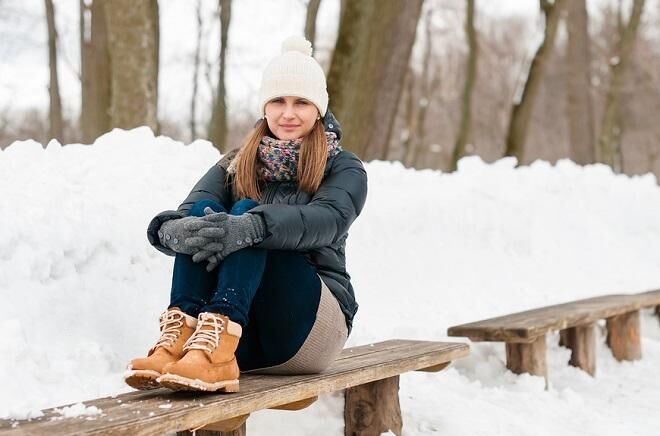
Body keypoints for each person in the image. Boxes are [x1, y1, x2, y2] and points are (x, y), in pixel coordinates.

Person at [124, 35, 368, 392]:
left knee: (245, 215)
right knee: (207, 217)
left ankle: (219, 337)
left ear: (318, 109)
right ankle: (180, 339)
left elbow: (328, 220)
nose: (288, 113)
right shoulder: (235, 163)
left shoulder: (344, 167)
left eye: (301, 102)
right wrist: (173, 232)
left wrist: (251, 226)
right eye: (278, 101)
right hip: (242, 335)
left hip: (310, 330)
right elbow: (186, 212)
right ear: (264, 107)